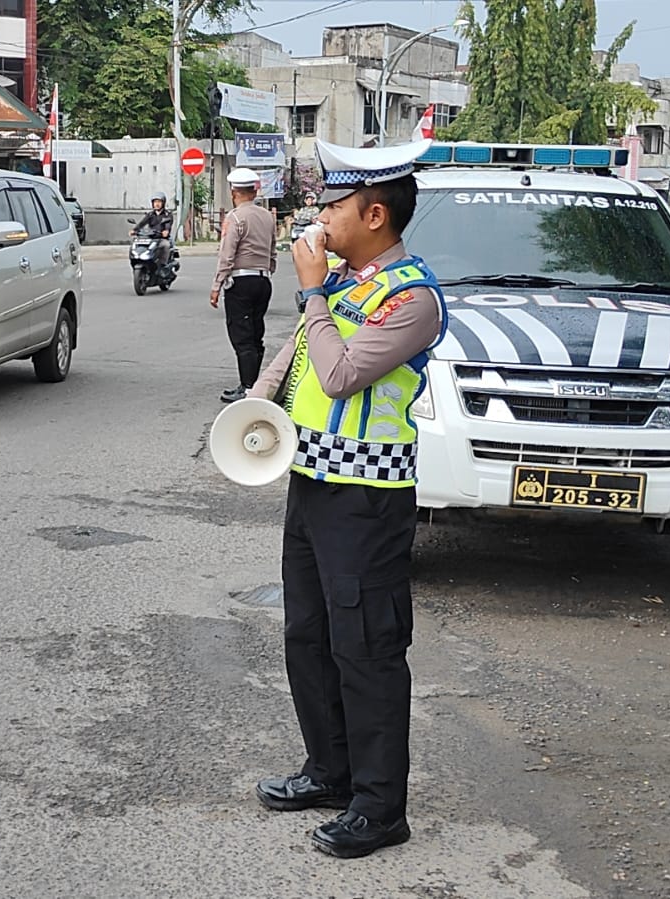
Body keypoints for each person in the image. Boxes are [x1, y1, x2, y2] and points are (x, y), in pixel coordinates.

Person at [246, 136, 448, 860]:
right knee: (308, 635)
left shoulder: (411, 298)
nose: (317, 219)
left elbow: (336, 375)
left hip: (367, 497)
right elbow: (299, 354)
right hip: (312, 481)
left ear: (372, 214)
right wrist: (253, 403)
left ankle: (378, 806)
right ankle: (327, 771)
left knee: (366, 647)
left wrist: (308, 291)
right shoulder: (341, 282)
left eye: (329, 207)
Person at [210, 167, 276, 403]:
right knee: (256, 332)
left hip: (241, 281)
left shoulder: (235, 218)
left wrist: (217, 285)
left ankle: (248, 387)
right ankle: (253, 383)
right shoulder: (268, 216)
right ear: (254, 191)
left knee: (242, 335)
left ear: (234, 192)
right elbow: (272, 251)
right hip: (263, 280)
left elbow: (227, 254)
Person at [138, 191, 175, 272]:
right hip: (151, 237)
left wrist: (166, 231)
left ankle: (163, 265)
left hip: (162, 238)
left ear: (163, 203)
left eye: (159, 202)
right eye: (155, 202)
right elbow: (142, 223)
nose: (157, 204)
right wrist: (135, 230)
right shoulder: (150, 214)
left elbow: (168, 224)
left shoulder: (167, 214)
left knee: (166, 245)